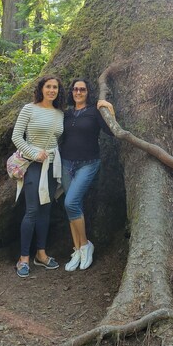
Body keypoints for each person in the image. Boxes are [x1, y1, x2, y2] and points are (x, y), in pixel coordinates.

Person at [12, 75, 65, 278]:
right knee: (32, 210)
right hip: (33, 165)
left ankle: (41, 254)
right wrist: (34, 153)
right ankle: (23, 257)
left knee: (46, 209)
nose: (52, 90)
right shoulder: (29, 109)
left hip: (52, 166)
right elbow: (16, 137)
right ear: (41, 89)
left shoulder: (60, 114)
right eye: (48, 86)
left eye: (55, 87)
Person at [60, 78, 115, 271]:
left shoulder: (94, 112)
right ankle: (77, 249)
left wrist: (108, 107)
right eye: (75, 89)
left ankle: (85, 245)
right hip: (66, 164)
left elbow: (112, 131)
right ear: (72, 92)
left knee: (71, 203)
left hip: (88, 164)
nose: (78, 92)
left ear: (87, 92)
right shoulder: (66, 114)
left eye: (82, 89)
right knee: (73, 207)